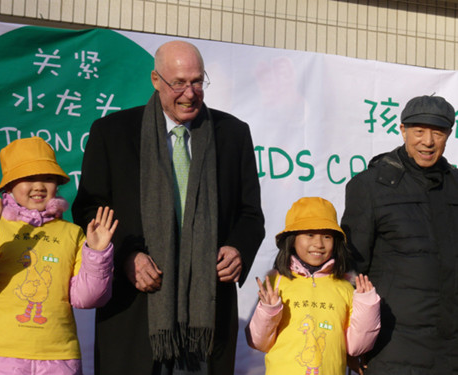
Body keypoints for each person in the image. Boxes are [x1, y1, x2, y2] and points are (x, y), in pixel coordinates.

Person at [72, 40, 265, 375]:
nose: (189, 94)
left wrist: (237, 248)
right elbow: (88, 210)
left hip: (207, 316)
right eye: (178, 83)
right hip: (134, 309)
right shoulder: (113, 133)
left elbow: (251, 214)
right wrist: (124, 256)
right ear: (155, 79)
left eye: (196, 81)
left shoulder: (232, 134)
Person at [0, 136, 118, 375]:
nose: (39, 186)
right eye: (29, 178)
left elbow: (87, 299)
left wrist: (97, 252)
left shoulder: (73, 233)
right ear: (9, 186)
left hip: (59, 360)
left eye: (48, 178)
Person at [341, 94, 458, 374]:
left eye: (437, 133)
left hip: (451, 346)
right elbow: (351, 270)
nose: (427, 142)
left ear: (449, 135)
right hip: (391, 343)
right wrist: (356, 341)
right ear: (403, 130)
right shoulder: (369, 186)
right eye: (419, 131)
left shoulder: (455, 186)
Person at [245, 197, 380, 374]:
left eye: (327, 236)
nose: (319, 244)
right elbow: (258, 342)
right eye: (310, 234)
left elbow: (355, 347)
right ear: (292, 239)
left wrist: (367, 305)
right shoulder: (275, 282)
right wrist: (269, 310)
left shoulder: (346, 287)